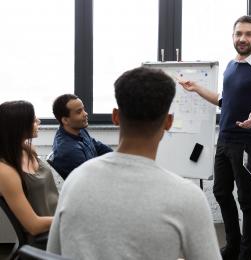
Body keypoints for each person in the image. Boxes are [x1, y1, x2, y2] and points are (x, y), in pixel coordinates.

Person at [47, 67, 221, 260]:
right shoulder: (189, 198)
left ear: (115, 117)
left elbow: (53, 254)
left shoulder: (75, 182)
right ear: (168, 122)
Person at [179, 15, 251, 260]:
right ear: (233, 36)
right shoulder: (232, 65)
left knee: (246, 199)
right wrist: (195, 87)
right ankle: (233, 245)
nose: (242, 38)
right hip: (225, 141)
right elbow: (224, 101)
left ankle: (246, 253)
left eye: (248, 34)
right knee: (220, 191)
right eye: (238, 34)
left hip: (248, 144)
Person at [0, 101, 58, 246]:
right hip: (47, 235)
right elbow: (33, 226)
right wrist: (69, 218)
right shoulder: (5, 171)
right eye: (33, 119)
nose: (38, 121)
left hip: (58, 222)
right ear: (18, 126)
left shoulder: (28, 149)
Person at [51, 94, 112, 179]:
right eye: (79, 112)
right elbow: (91, 179)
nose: (86, 114)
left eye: (83, 109)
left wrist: (118, 158)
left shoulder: (78, 129)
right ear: (65, 120)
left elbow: (98, 147)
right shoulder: (69, 151)